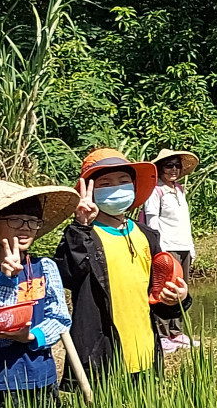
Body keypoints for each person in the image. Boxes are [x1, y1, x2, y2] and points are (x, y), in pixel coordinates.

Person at [55, 149, 189, 386]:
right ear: (89, 192)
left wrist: (178, 298)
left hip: (145, 350)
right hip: (102, 355)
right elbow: (68, 275)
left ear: (134, 187)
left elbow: (158, 293)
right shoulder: (83, 237)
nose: (115, 188)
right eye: (105, 183)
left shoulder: (146, 235)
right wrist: (80, 226)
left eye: (123, 181)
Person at [0, 181, 78, 408]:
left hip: (44, 378)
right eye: (15, 220)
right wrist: (6, 279)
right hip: (2, 382)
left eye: (32, 221)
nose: (25, 227)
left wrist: (32, 336)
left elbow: (60, 317)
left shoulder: (45, 267)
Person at [141, 149, 200, 351]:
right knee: (164, 289)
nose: (174, 169)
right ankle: (163, 333)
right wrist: (160, 249)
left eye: (177, 165)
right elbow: (152, 221)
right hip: (167, 246)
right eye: (169, 165)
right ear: (160, 168)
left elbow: (185, 222)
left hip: (183, 245)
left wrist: (191, 247)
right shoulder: (155, 191)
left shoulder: (179, 190)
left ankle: (177, 331)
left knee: (181, 290)